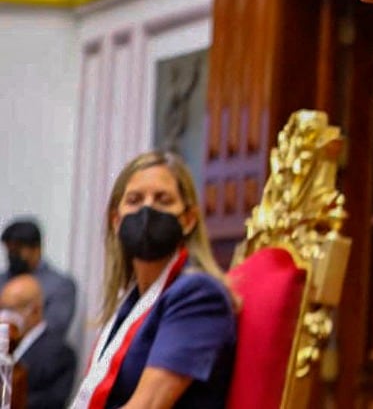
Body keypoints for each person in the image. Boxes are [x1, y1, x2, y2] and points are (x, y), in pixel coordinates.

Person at [70, 152, 237, 409]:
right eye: (135, 200)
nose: (147, 210)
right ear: (117, 221)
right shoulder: (132, 301)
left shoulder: (199, 295)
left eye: (163, 200)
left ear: (188, 220)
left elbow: (147, 406)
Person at [0, 274, 77, 409]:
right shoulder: (5, 345)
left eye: (11, 309)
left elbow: (51, 402)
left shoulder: (60, 353)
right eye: (2, 308)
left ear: (34, 310)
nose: (4, 316)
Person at [2, 219, 78, 342]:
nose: (12, 256)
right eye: (9, 250)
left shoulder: (60, 286)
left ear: (36, 249)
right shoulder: (2, 280)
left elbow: (54, 329)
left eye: (17, 250)